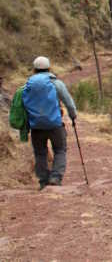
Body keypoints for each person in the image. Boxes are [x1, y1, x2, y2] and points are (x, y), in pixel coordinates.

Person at [22, 56, 78, 189]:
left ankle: (43, 180)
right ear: (49, 68)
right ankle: (55, 177)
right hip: (55, 124)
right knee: (59, 150)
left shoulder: (28, 85)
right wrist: (73, 116)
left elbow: (22, 105)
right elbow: (69, 102)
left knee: (40, 153)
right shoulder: (56, 83)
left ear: (34, 69)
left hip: (36, 126)